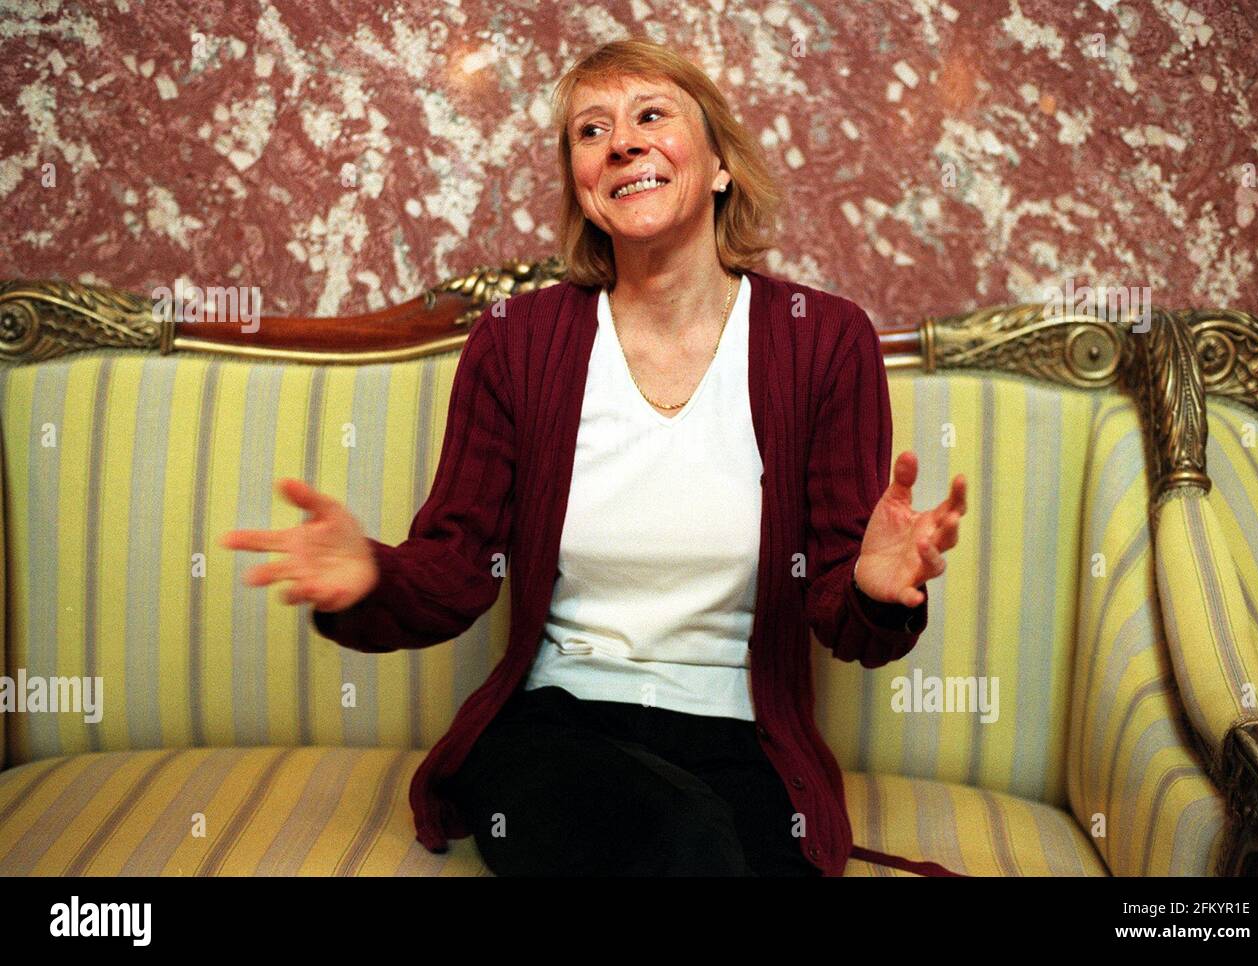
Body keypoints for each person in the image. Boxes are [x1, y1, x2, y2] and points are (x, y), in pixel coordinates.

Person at [221, 38, 966, 877]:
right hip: (555, 727)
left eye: (652, 116)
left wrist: (871, 589)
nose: (621, 143)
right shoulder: (518, 342)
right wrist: (375, 579)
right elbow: (458, 567)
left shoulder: (823, 341)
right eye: (591, 131)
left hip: (740, 735)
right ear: (583, 186)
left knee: (734, 850)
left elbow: (848, 620)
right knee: (678, 840)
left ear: (720, 166)